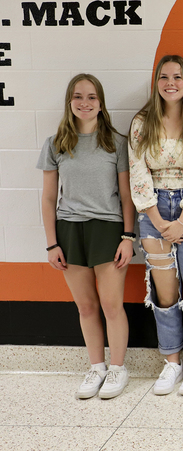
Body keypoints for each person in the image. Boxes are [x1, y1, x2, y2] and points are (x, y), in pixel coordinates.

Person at [38, 74, 134, 399]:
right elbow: (48, 198)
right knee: (86, 307)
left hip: (107, 229)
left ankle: (118, 368)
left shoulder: (117, 143)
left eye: (92, 97)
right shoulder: (55, 143)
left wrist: (128, 236)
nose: (85, 103)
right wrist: (52, 243)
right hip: (69, 230)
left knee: (111, 304)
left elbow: (127, 196)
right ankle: (97, 367)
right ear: (69, 102)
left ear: (101, 103)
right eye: (78, 96)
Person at [128, 55, 183, 396]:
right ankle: (172, 362)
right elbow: (138, 173)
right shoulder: (141, 123)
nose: (170, 83)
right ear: (156, 83)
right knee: (165, 296)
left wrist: (182, 220)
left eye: (177, 77)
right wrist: (157, 220)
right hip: (153, 212)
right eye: (164, 77)